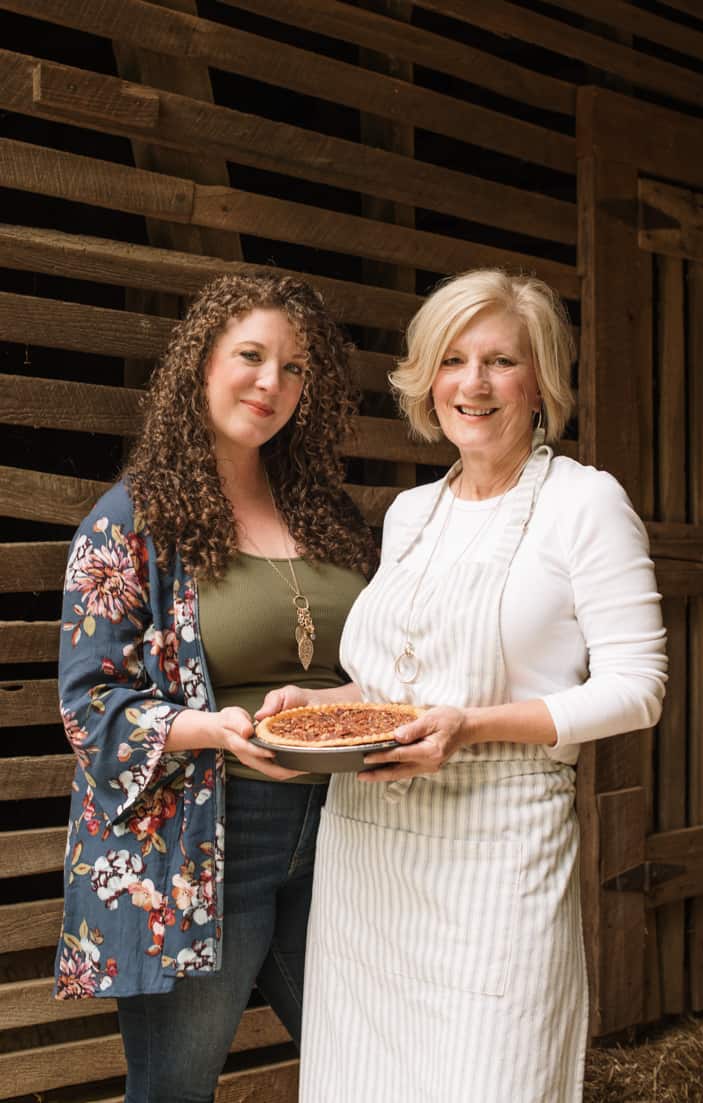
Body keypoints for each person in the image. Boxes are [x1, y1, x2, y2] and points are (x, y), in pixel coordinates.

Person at [260, 269, 668, 1102]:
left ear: (541, 381)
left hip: (498, 854)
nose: (471, 383)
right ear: (426, 379)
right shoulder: (412, 513)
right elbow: (396, 689)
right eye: (452, 359)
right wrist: (322, 707)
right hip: (369, 852)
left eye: (500, 361)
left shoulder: (584, 504)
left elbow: (638, 686)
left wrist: (469, 727)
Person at [52, 272, 377, 1103]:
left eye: (295, 368)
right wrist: (213, 728)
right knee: (174, 1090)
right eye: (251, 356)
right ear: (200, 362)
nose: (271, 383)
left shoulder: (327, 514)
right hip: (208, 838)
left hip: (348, 829)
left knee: (373, 1068)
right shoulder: (130, 520)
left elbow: (383, 658)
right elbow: (89, 707)